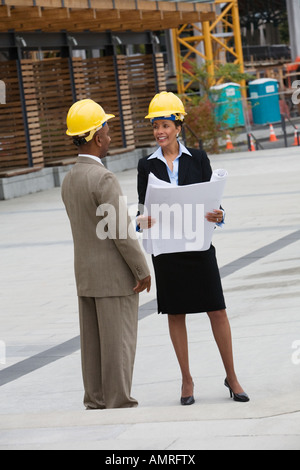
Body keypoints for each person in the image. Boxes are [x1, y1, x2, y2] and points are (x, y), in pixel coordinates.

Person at [137, 92, 249, 405]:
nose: (160, 131)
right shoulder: (146, 166)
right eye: (155, 126)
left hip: (198, 248)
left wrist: (219, 215)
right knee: (176, 312)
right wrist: (141, 220)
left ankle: (232, 375)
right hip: (168, 251)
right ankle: (187, 380)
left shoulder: (198, 159)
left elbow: (215, 201)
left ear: (178, 126)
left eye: (165, 125)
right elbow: (141, 209)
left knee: (217, 309)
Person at [62, 99, 151, 410]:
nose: (111, 136)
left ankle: (96, 397)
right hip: (113, 276)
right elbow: (120, 232)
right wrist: (142, 269)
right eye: (108, 130)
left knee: (93, 343)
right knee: (118, 341)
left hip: (85, 273)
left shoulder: (70, 178)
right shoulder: (103, 178)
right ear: (97, 137)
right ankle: (118, 398)